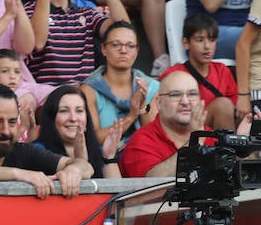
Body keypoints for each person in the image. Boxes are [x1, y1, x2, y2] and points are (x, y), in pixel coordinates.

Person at [27, 0, 130, 87]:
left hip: (83, 99)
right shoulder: (29, 11)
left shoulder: (87, 14)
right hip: (47, 100)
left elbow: (124, 33)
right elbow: (38, 43)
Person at [0, 85, 92, 197]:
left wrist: (72, 172)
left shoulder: (24, 152)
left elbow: (86, 167)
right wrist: (21, 175)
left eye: (12, 122)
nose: (6, 131)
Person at [82, 20, 160, 152]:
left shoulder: (151, 86)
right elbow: (93, 138)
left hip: (143, 156)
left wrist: (141, 107)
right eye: (116, 45)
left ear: (137, 51)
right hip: (104, 161)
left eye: (130, 46)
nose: (123, 50)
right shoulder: (89, 89)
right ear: (104, 49)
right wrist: (130, 117)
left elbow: (155, 137)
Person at [117, 69, 208, 178]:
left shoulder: (211, 136)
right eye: (175, 95)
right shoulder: (141, 141)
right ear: (158, 103)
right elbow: (151, 186)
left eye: (192, 94)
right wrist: (193, 144)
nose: (185, 101)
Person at [37, 85, 120, 179]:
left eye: (79, 111)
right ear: (51, 117)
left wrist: (109, 157)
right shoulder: (37, 151)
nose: (73, 118)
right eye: (64, 111)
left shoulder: (96, 151)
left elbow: (118, 192)